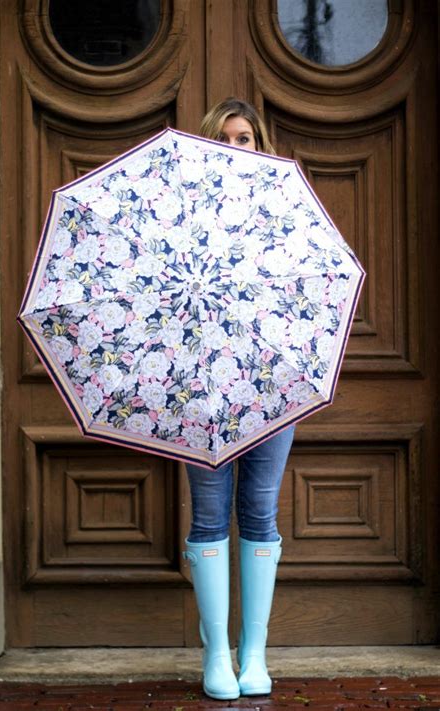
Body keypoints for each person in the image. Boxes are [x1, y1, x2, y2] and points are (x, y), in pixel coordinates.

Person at [182, 98, 296, 700]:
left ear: (260, 144)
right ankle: (216, 656)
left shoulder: (287, 211)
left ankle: (254, 654)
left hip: (272, 390)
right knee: (207, 518)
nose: (235, 147)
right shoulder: (179, 213)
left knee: (258, 512)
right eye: (224, 138)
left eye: (245, 137)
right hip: (196, 394)